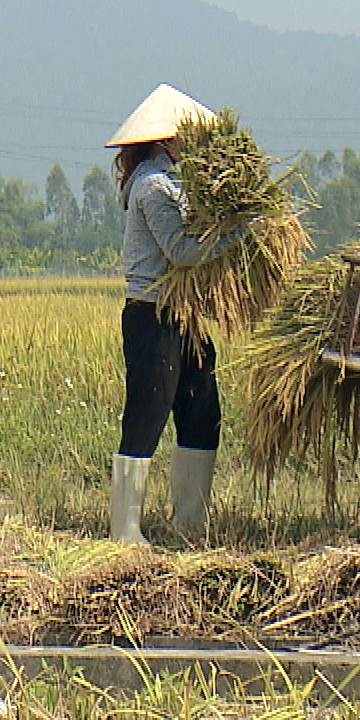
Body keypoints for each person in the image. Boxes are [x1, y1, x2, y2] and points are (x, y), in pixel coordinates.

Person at [104, 84, 237, 546]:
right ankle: (125, 530)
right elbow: (181, 252)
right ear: (166, 140)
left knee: (203, 411)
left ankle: (190, 523)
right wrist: (235, 236)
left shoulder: (181, 185)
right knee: (148, 412)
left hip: (187, 315)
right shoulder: (154, 186)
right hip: (153, 315)